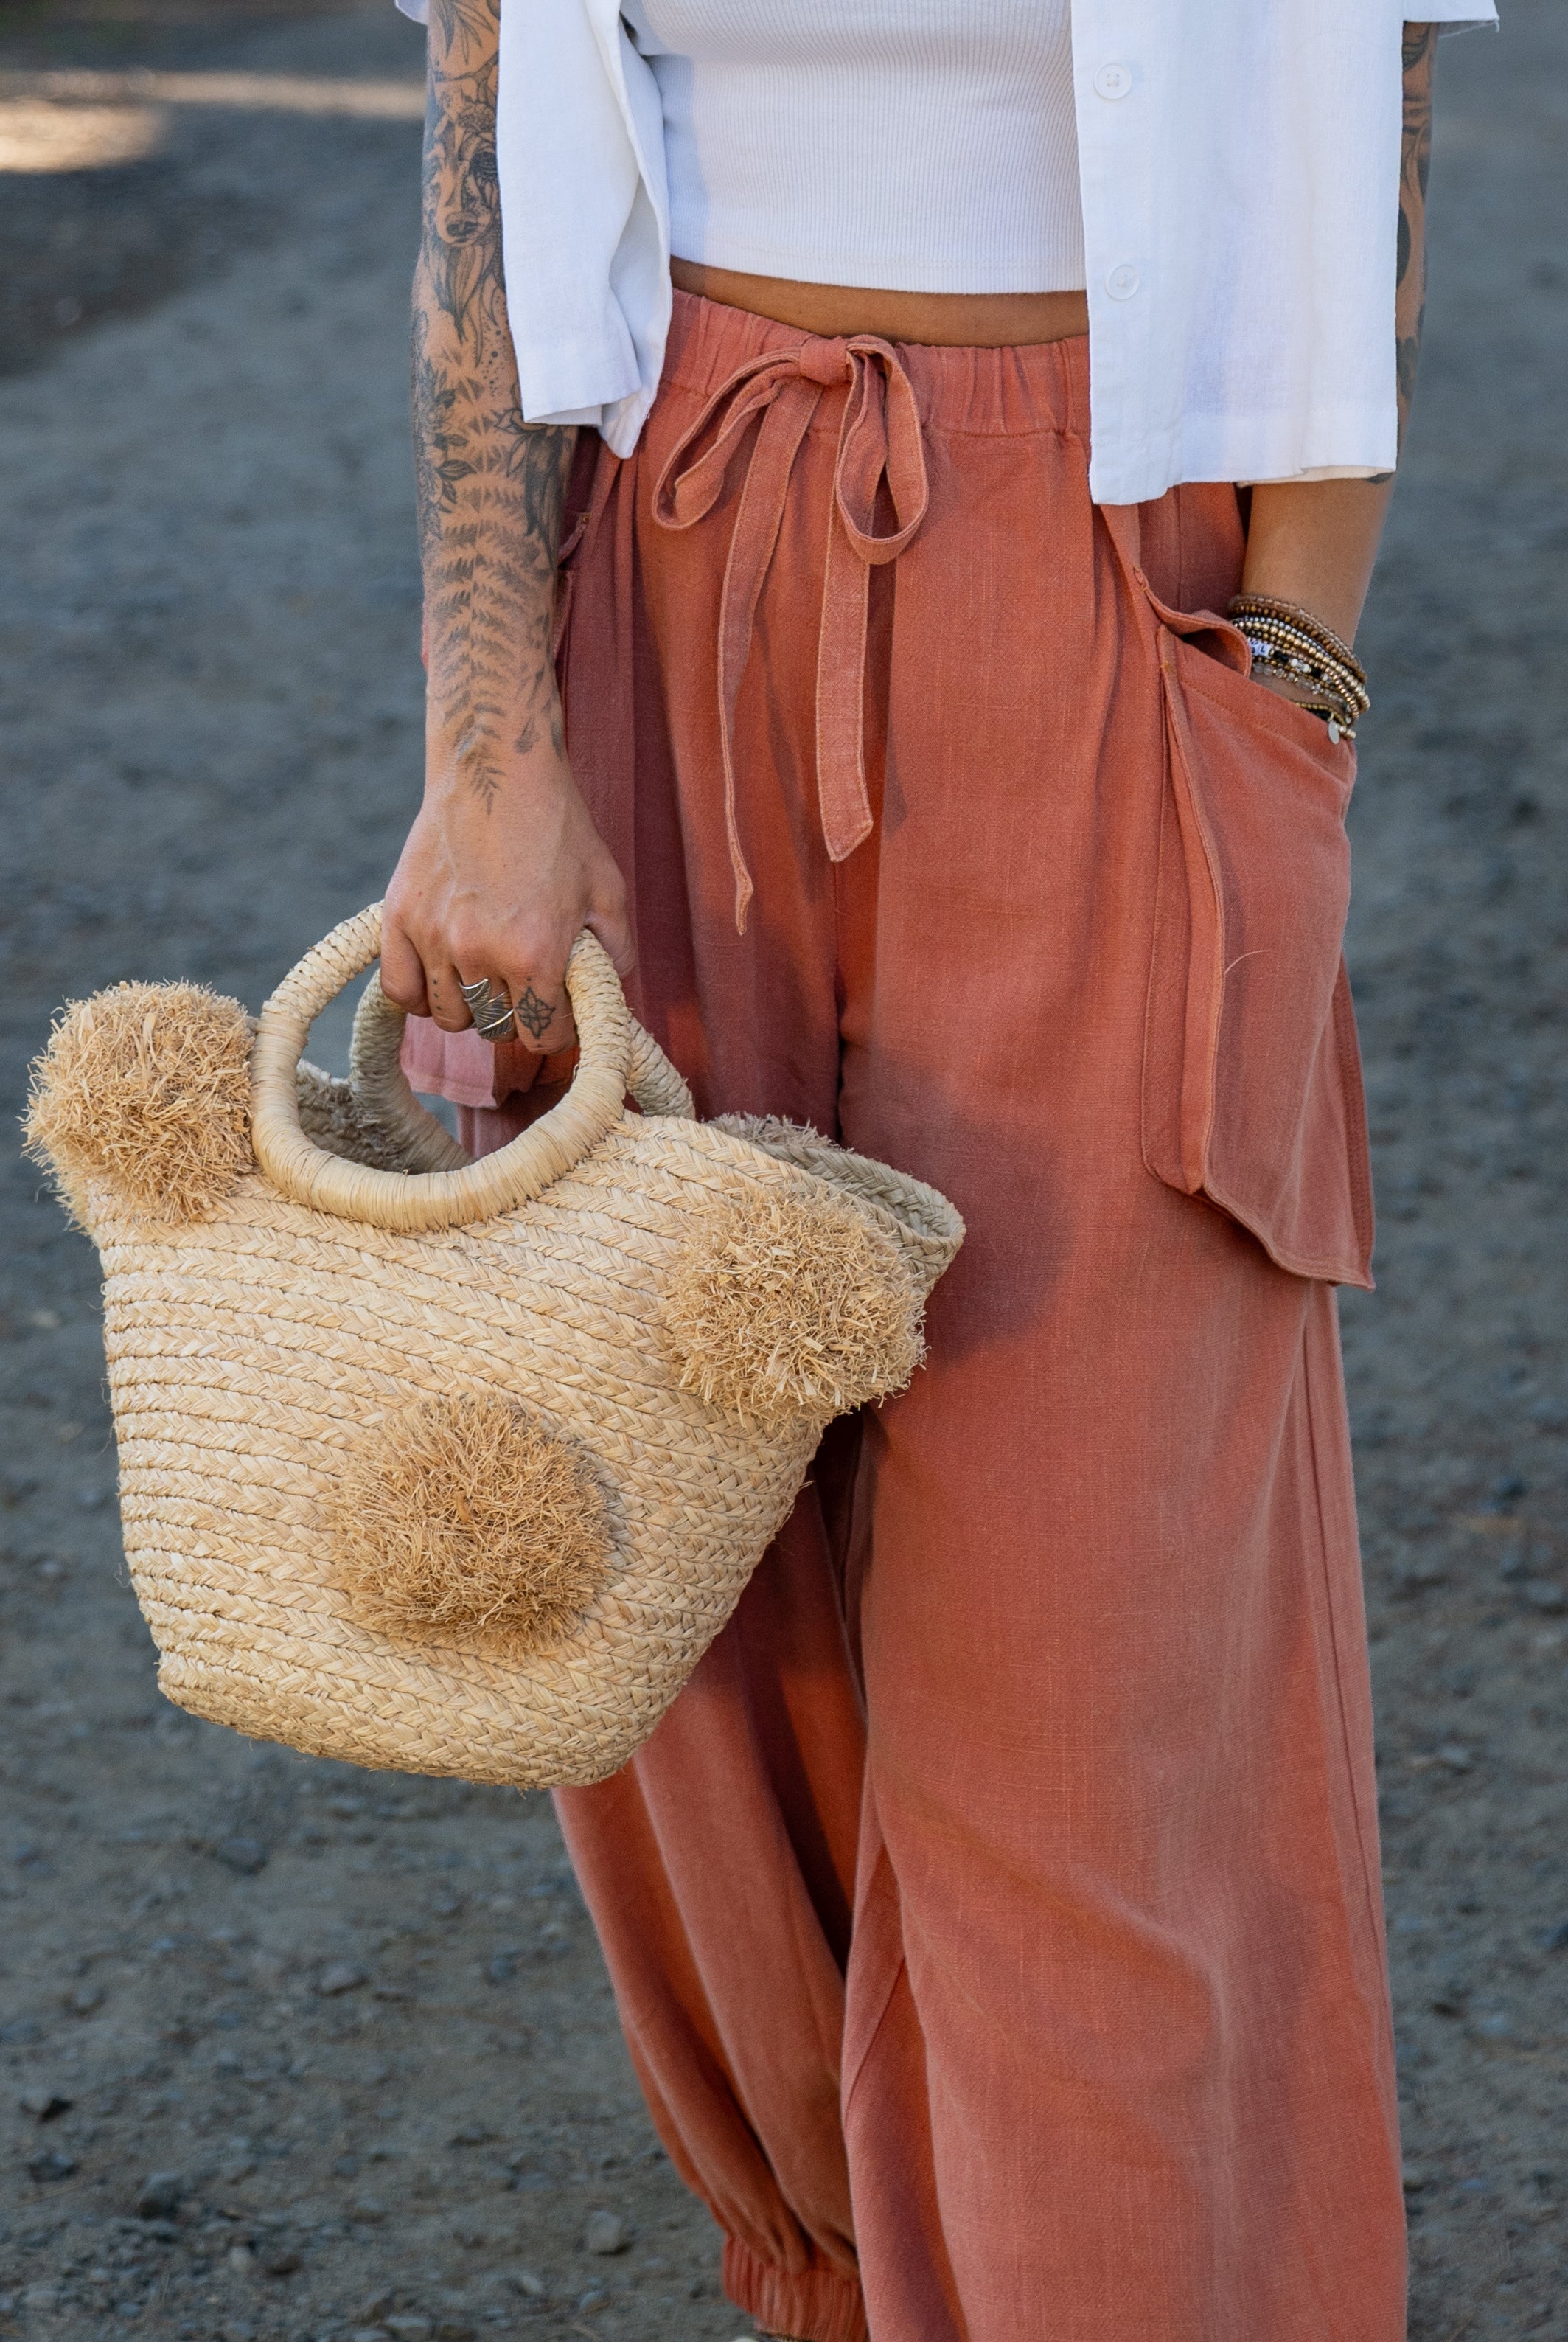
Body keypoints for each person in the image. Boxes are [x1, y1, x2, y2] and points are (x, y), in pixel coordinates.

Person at [380, 6, 1495, 2336]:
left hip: (1117, 593)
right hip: (666, 565)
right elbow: (483, 120)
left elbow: (1372, 88)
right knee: (691, 1597)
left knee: (1090, 1656)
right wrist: (490, 745)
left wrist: (1289, 694)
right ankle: (848, 2281)